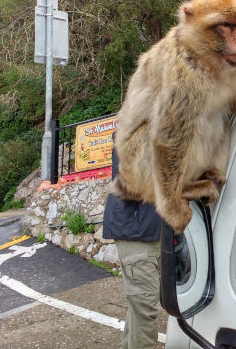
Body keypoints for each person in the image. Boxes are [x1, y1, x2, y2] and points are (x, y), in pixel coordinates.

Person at [103, 148, 162, 349]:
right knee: (145, 306)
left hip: (150, 230)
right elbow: (132, 182)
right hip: (135, 232)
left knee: (140, 307)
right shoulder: (134, 131)